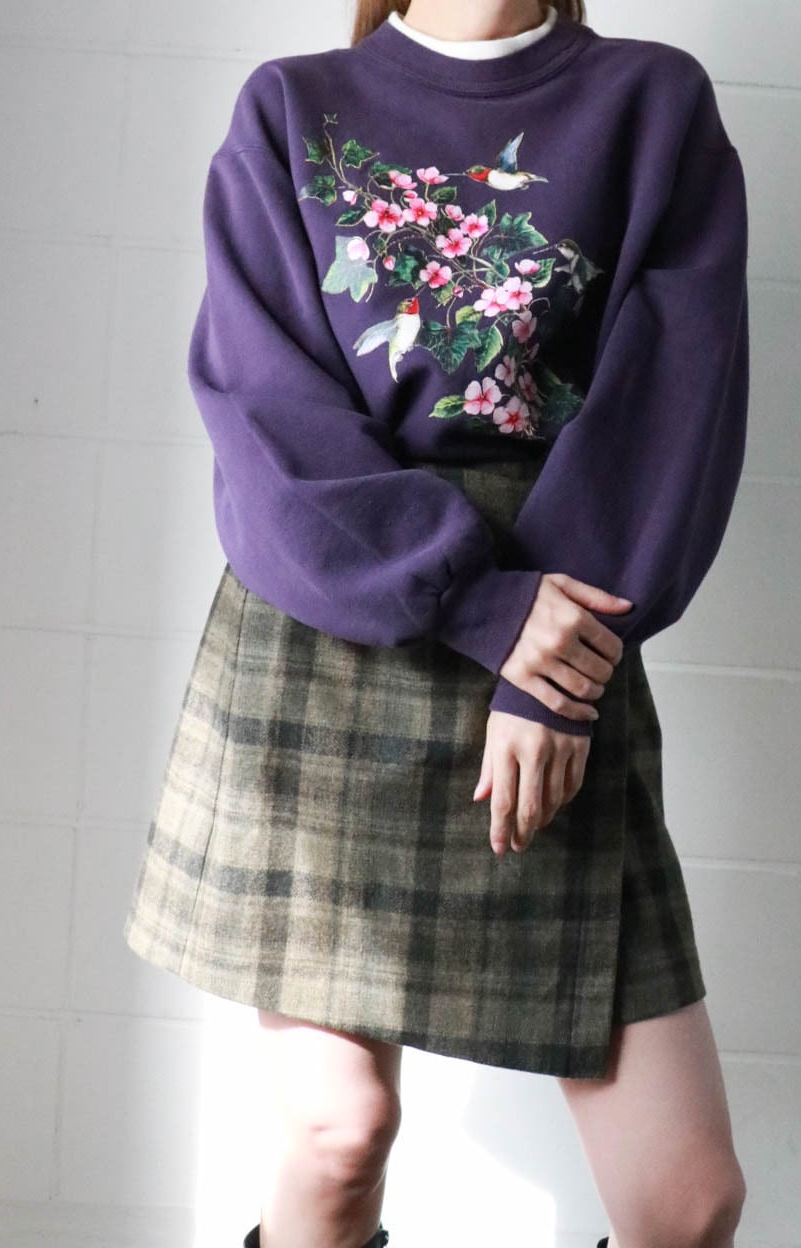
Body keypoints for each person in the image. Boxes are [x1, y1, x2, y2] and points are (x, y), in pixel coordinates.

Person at [122, 2, 751, 1245]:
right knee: (337, 1135)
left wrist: (544, 677)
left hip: (565, 626)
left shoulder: (651, 103)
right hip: (329, 640)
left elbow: (669, 407)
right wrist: (476, 603)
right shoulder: (290, 106)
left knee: (686, 1202)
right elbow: (265, 423)